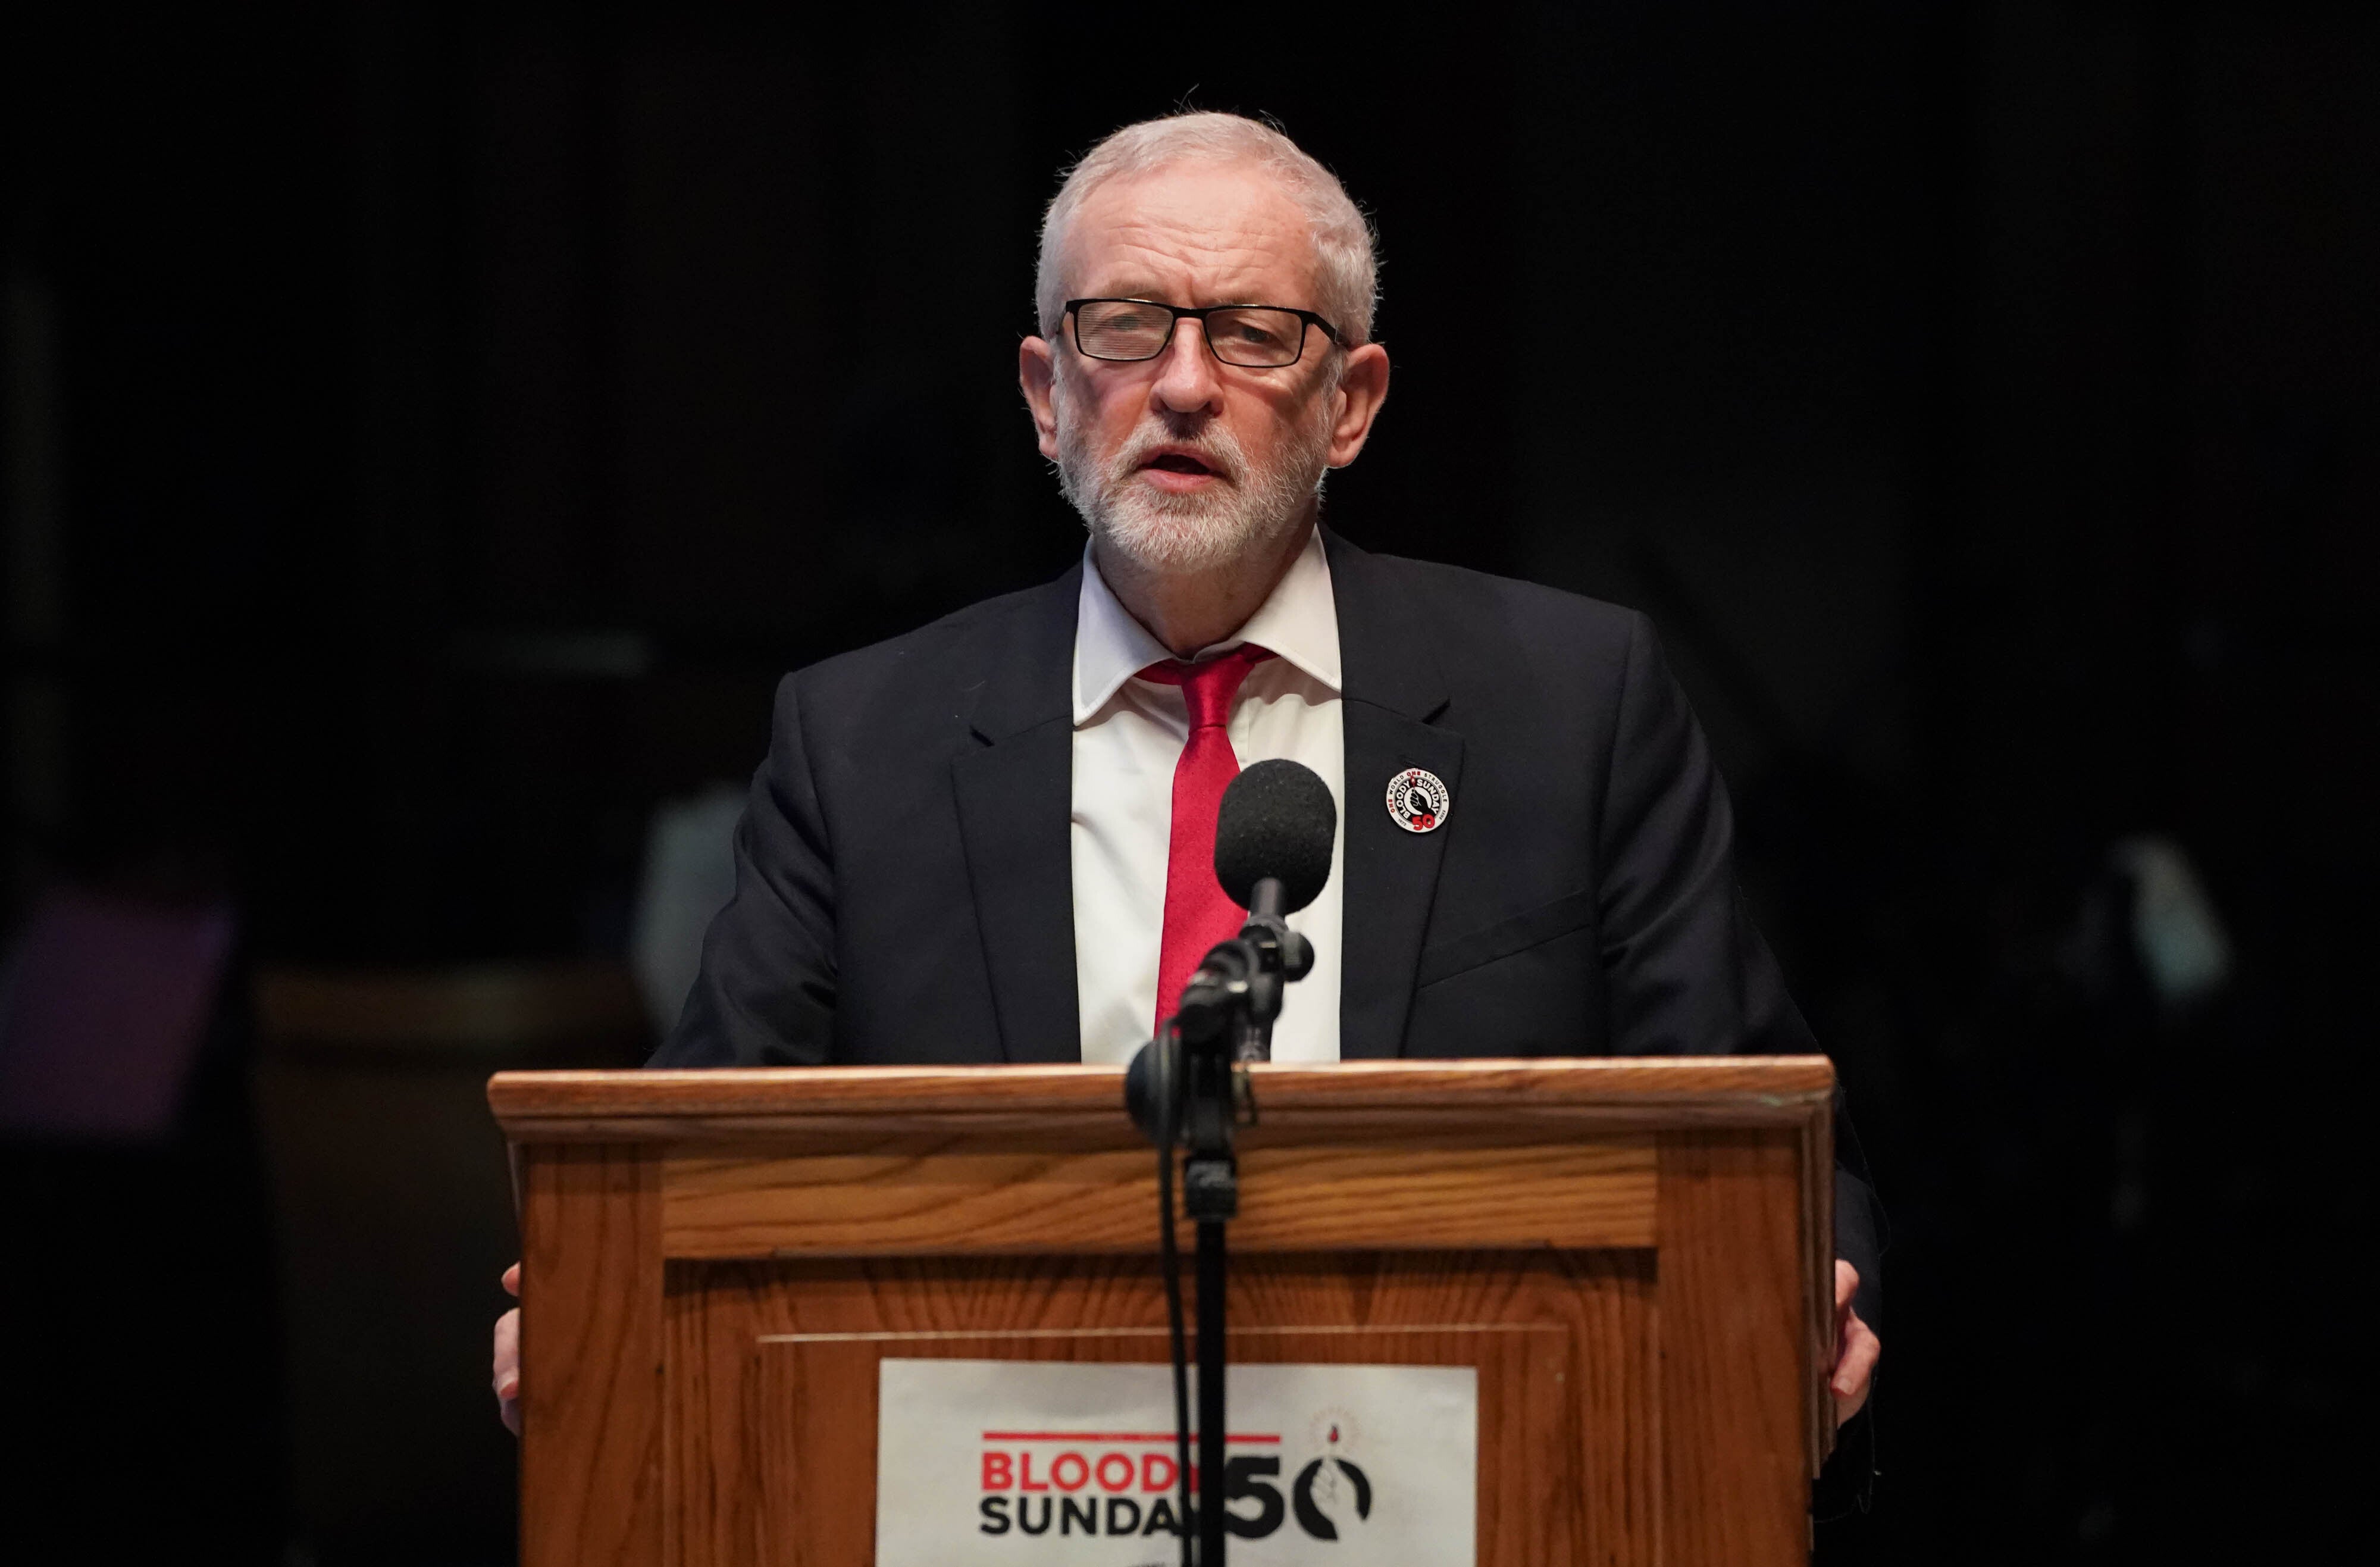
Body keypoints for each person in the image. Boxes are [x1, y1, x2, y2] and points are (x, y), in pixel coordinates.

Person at [492, 110, 1883, 1454]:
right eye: (1125, 326)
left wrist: (1810, 1278)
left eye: (1251, 333)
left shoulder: (1570, 705)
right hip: (1001, 1473)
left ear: (1349, 404)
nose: (1179, 383)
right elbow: (709, 1157)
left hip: (1461, 1457)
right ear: (1047, 395)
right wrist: (601, 1278)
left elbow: (1754, 1129)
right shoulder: (862, 740)